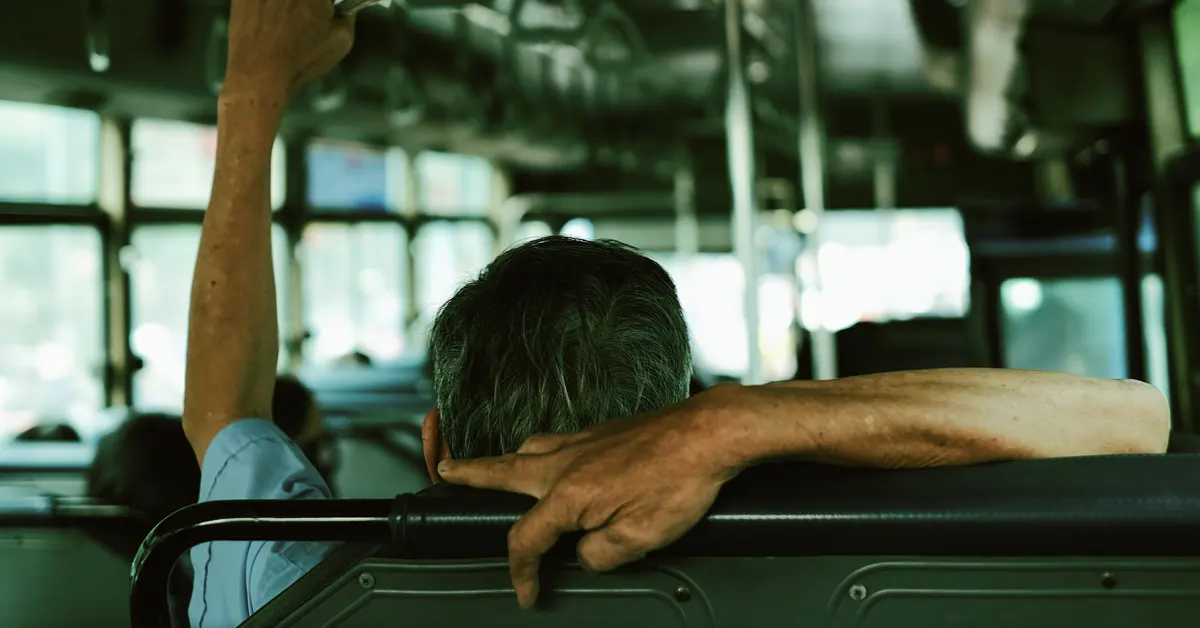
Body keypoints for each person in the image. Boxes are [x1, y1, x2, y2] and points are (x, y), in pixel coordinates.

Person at [179, 1, 1170, 625]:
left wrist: (251, 89)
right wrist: (742, 420)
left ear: (432, 442)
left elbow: (224, 408)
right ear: (680, 423)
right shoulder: (833, 573)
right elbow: (1133, 420)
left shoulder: (295, 585)